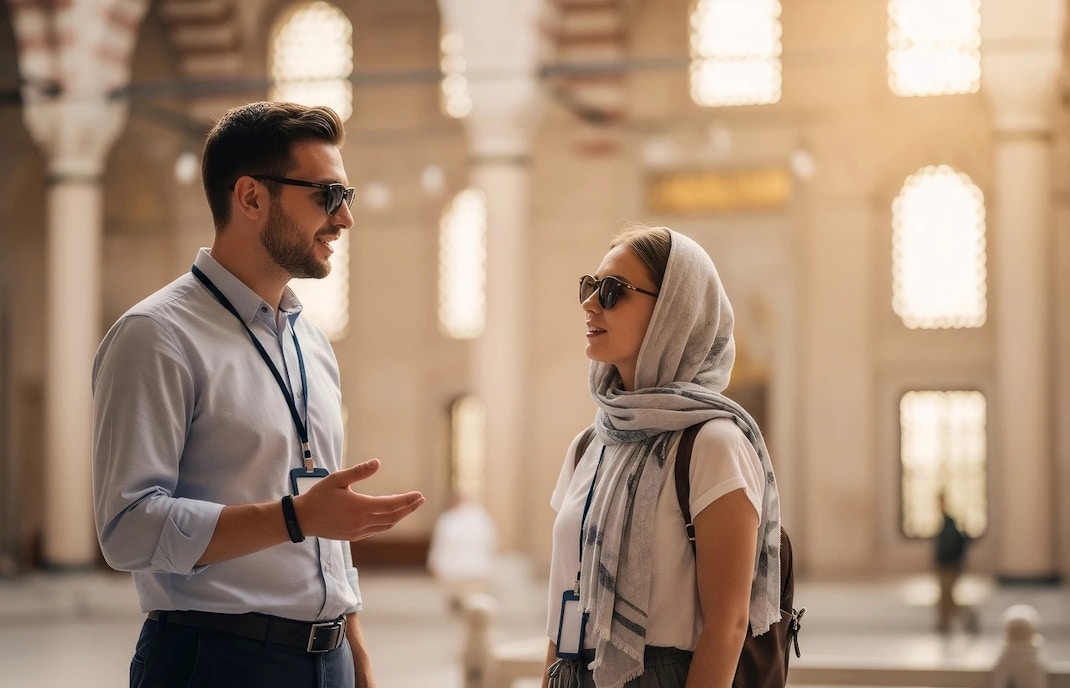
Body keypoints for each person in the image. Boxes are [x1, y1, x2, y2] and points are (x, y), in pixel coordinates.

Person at [92, 101, 425, 688]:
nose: (345, 219)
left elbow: (326, 524)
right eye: (328, 196)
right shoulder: (157, 335)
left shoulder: (311, 343)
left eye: (346, 197)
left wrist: (357, 658)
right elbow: (128, 529)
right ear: (251, 198)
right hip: (216, 660)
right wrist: (294, 518)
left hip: (330, 660)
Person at [542, 226, 783, 687]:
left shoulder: (714, 444)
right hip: (572, 671)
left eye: (612, 291)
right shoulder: (588, 446)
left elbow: (726, 627)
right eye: (589, 287)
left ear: (675, 310)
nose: (590, 304)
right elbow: (561, 611)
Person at [426, 493, 498, 613]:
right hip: (457, 572)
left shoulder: (479, 519)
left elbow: (489, 543)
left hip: (473, 571)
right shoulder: (449, 520)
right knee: (460, 607)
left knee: (473, 608)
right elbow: (441, 545)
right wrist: (436, 565)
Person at [933, 493, 976, 634]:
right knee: (945, 597)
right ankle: (944, 623)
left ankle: (968, 619)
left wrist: (947, 561)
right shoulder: (945, 523)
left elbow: (950, 546)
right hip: (945, 564)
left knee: (948, 596)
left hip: (949, 565)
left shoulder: (950, 524)